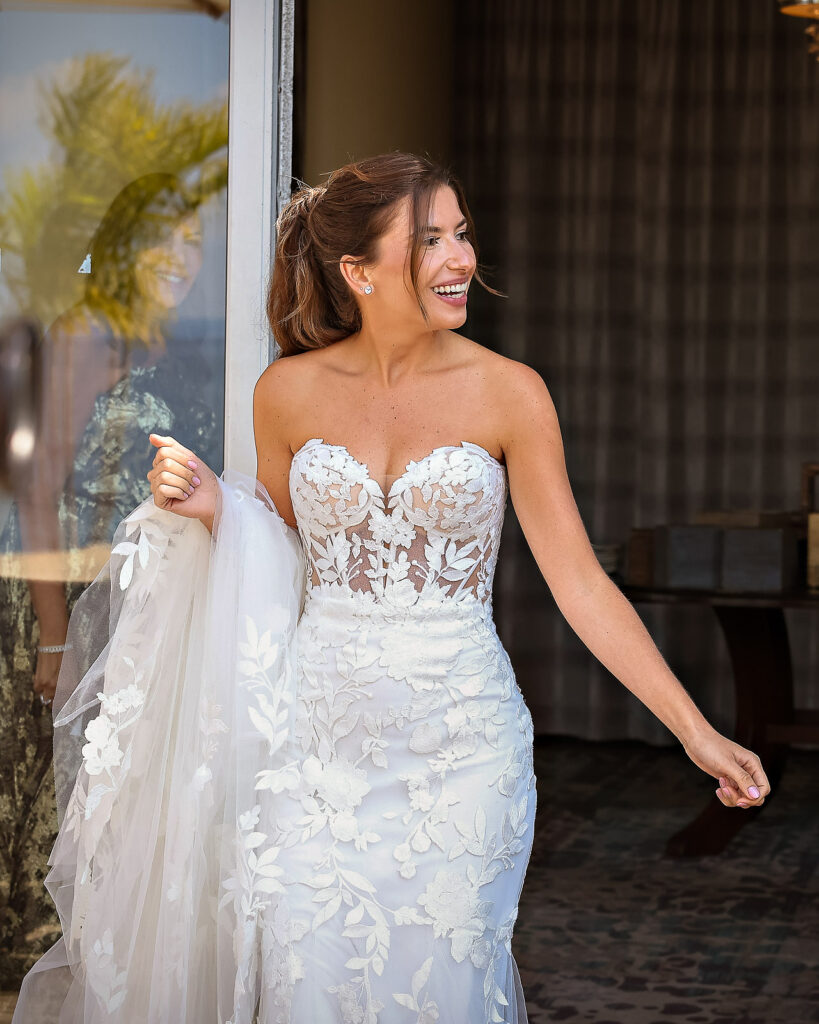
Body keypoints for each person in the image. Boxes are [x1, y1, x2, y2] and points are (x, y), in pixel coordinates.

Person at [12, 152, 769, 1023]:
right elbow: (281, 566)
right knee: (305, 990)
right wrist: (220, 508)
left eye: (461, 234)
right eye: (430, 240)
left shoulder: (510, 394)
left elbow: (581, 586)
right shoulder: (286, 392)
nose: (460, 259)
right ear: (357, 272)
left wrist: (695, 732)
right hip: (309, 750)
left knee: (439, 991)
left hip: (461, 751)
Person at [0, 172, 221, 985]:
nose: (180, 254)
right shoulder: (85, 331)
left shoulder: (181, 336)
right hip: (63, 600)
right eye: (160, 235)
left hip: (143, 601)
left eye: (194, 238)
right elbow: (34, 488)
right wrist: (55, 637)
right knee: (57, 812)